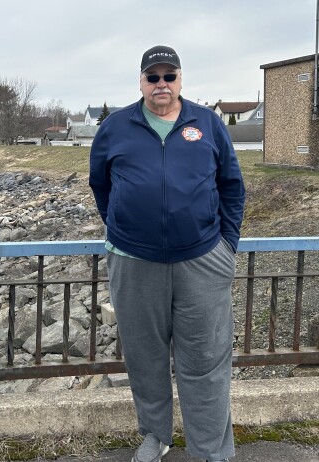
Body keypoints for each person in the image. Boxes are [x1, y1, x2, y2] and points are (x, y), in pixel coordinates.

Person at [88, 45, 245, 462]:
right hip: (134, 260)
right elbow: (100, 184)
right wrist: (124, 226)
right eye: (152, 77)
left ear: (180, 80)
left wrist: (228, 244)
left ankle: (211, 450)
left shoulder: (207, 123)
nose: (161, 84)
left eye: (169, 76)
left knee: (207, 359)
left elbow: (231, 186)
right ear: (141, 82)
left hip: (202, 258)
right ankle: (155, 436)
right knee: (144, 355)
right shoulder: (115, 127)